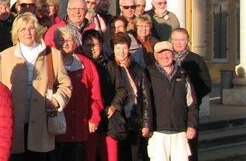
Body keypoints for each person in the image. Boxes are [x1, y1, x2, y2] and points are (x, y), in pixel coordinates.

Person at [0, 12, 72, 160]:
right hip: (14, 120)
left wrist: (57, 99)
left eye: (31, 28)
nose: (27, 32)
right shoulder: (5, 55)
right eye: (22, 29)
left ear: (36, 30)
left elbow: (65, 84)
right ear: (16, 33)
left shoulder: (52, 54)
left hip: (42, 119)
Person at [53, 26, 103, 161]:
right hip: (54, 128)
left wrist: (94, 118)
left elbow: (95, 95)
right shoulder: (48, 63)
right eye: (60, 40)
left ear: (75, 41)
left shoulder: (86, 64)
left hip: (79, 127)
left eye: (69, 40)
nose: (65, 43)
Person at [146, 41, 198, 161]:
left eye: (168, 52)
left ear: (173, 54)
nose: (165, 56)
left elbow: (192, 103)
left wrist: (191, 125)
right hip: (157, 132)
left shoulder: (183, 74)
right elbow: (145, 102)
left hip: (179, 131)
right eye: (161, 53)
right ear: (155, 55)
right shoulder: (148, 74)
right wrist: (146, 125)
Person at [82, 30, 127, 161]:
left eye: (95, 45)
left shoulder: (111, 65)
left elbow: (121, 90)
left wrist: (114, 106)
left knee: (110, 156)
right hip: (88, 119)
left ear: (101, 45)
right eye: (88, 45)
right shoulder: (79, 64)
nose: (92, 49)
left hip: (108, 119)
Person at [171, 28, 211, 161]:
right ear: (171, 41)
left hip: (189, 111)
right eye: (176, 39)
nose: (178, 43)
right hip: (170, 113)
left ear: (187, 41)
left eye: (182, 40)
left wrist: (192, 96)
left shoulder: (196, 60)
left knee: (190, 149)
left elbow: (206, 84)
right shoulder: (166, 58)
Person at [112, 32, 153, 161]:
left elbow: (146, 98)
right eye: (118, 47)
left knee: (134, 156)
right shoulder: (109, 67)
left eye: (124, 47)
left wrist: (146, 123)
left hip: (134, 120)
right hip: (116, 122)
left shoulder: (138, 69)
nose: (121, 51)